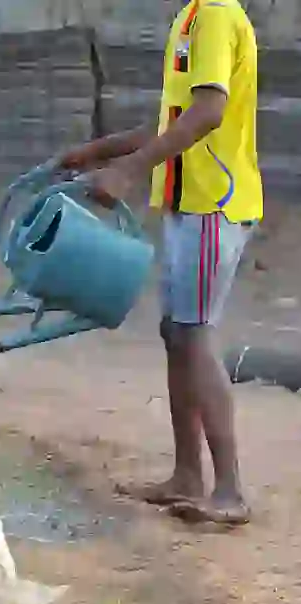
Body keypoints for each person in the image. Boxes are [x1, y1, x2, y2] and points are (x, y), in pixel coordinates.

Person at [58, 0, 260, 526]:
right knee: (178, 333)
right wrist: (99, 151)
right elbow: (175, 122)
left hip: (214, 203)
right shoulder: (193, 14)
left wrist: (128, 171)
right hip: (188, 200)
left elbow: (209, 113)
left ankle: (230, 489)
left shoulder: (215, 13)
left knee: (193, 335)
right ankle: (188, 475)